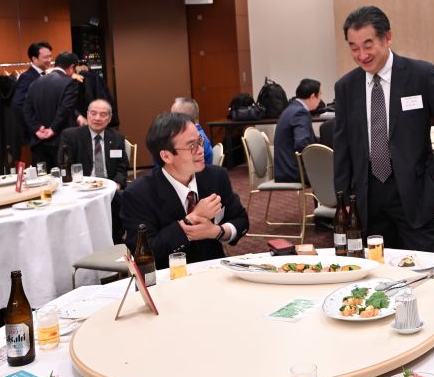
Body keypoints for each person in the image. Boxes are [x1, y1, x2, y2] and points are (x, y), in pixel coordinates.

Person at [334, 6, 434, 252]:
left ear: (388, 38)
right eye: (354, 47)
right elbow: (342, 146)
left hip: (415, 192)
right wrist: (343, 197)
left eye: (368, 45)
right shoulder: (346, 87)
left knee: (423, 267)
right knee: (376, 268)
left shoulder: (419, 75)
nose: (362, 55)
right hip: (366, 196)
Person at [119, 112, 248, 267]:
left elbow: (241, 221)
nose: (201, 150)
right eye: (192, 146)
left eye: (200, 141)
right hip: (168, 275)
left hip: (213, 269)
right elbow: (146, 252)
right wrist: (191, 219)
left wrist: (216, 231)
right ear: (166, 156)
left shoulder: (216, 176)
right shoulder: (138, 194)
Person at [24, 51, 84, 171]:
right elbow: (65, 109)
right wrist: (52, 129)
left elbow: (26, 110)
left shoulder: (35, 82)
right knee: (65, 178)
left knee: (41, 179)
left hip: (39, 142)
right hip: (61, 141)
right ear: (71, 67)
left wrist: (37, 129)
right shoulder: (70, 82)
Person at [58, 99, 128, 189]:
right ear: (87, 115)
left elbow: (122, 167)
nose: (97, 118)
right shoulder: (71, 136)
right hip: (81, 186)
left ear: (109, 118)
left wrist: (116, 185)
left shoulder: (117, 137)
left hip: (110, 185)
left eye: (103, 115)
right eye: (93, 113)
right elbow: (64, 165)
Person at [273, 78, 322, 183]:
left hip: (284, 169)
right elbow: (302, 143)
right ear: (313, 96)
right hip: (293, 171)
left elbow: (306, 139)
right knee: (336, 170)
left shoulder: (292, 108)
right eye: (320, 95)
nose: (320, 99)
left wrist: (325, 140)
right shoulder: (300, 113)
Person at [11, 41, 52, 147]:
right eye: (46, 57)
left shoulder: (45, 74)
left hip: (48, 132)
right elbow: (18, 105)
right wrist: (35, 128)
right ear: (34, 59)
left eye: (50, 56)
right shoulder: (27, 77)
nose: (49, 60)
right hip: (38, 135)